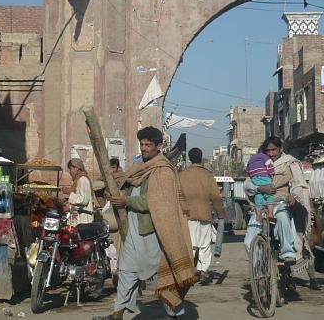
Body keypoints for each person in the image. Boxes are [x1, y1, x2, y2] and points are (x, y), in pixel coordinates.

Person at [93, 127, 196, 320]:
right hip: (135, 229)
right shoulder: (140, 167)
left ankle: (174, 314)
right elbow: (131, 191)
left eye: (148, 144)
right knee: (126, 272)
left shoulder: (163, 170)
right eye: (142, 144)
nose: (144, 148)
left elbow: (157, 202)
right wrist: (117, 197)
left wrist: (127, 202)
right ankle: (117, 313)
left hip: (154, 231)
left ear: (159, 146)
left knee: (162, 278)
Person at [244, 136, 320, 289]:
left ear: (280, 149)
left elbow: (299, 183)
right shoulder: (258, 162)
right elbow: (247, 183)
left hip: (281, 201)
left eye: (274, 150)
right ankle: (260, 271)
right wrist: (260, 188)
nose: (271, 153)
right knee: (249, 240)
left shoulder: (290, 162)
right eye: (268, 150)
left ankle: (287, 253)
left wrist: (294, 195)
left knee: (283, 217)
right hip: (261, 205)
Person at [179, 148, 226, 283]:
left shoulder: (182, 175)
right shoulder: (208, 175)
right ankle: (203, 270)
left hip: (187, 215)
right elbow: (216, 197)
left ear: (189, 158)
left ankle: (188, 272)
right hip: (205, 214)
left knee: (191, 244)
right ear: (200, 158)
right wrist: (221, 214)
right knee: (204, 245)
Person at [245, 149, 276, 217]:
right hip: (265, 180)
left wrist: (252, 176)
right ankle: (270, 214)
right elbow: (270, 164)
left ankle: (258, 215)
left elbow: (247, 169)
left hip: (255, 180)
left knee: (258, 198)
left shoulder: (251, 158)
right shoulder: (264, 156)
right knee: (270, 197)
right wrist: (272, 174)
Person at [66, 158, 94, 225]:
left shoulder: (82, 180)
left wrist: (69, 193)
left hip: (83, 219)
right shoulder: (77, 180)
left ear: (76, 168)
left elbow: (83, 200)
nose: (70, 172)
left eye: (70, 169)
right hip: (78, 218)